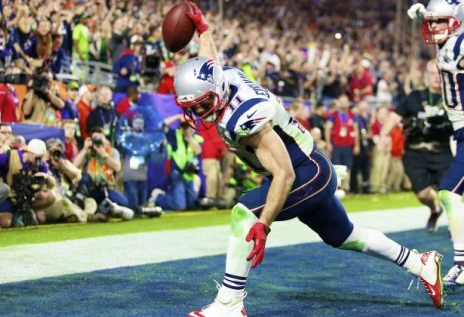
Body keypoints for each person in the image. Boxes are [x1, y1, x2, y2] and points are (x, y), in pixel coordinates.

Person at [174, 3, 444, 316]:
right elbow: (212, 63)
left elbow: (284, 174)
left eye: (202, 104)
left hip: (306, 171)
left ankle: (230, 304)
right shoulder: (224, 80)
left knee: (243, 214)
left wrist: (264, 224)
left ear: (218, 91)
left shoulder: (245, 116)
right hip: (309, 167)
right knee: (346, 236)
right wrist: (204, 30)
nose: (198, 112)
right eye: (192, 106)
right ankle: (419, 263)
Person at [408, 0, 464, 287]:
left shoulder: (459, 45)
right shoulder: (448, 44)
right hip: (459, 131)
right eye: (431, 22)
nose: (433, 27)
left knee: (449, 194)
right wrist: (422, 13)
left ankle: (463, 263)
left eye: (439, 21)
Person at [378, 60, 452, 232]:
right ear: (426, 75)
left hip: (442, 152)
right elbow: (395, 116)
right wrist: (383, 135)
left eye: (439, 74)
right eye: (432, 73)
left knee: (449, 195)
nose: (436, 78)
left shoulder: (453, 100)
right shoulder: (414, 97)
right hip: (415, 153)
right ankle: (435, 209)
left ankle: (454, 226)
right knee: (423, 194)